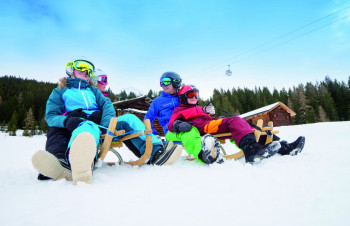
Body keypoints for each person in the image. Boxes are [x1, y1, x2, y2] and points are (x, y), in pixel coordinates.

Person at [32, 59, 183, 184]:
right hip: (76, 121)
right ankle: (76, 162)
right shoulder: (60, 90)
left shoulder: (93, 91)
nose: (86, 73)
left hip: (101, 121)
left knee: (130, 118)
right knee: (84, 127)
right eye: (81, 69)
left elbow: (107, 106)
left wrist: (106, 123)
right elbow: (51, 115)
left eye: (88, 71)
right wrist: (66, 121)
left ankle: (156, 152)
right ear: (71, 71)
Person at [168, 85, 305, 164]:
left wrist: (217, 118)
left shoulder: (199, 109)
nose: (195, 98)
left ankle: (284, 147)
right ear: (183, 97)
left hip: (209, 123)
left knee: (249, 126)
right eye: (191, 95)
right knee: (236, 120)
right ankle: (251, 150)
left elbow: (208, 118)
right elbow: (171, 124)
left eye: (196, 95)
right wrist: (179, 125)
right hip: (201, 128)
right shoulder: (180, 110)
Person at [144, 72, 220, 164]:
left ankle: (240, 142)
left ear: (175, 82)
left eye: (166, 81)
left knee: (218, 124)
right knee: (188, 131)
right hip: (172, 131)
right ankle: (202, 155)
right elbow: (148, 118)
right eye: (161, 82)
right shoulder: (157, 102)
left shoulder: (183, 96)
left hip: (192, 126)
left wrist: (204, 110)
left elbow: (193, 109)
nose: (163, 84)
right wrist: (154, 136)